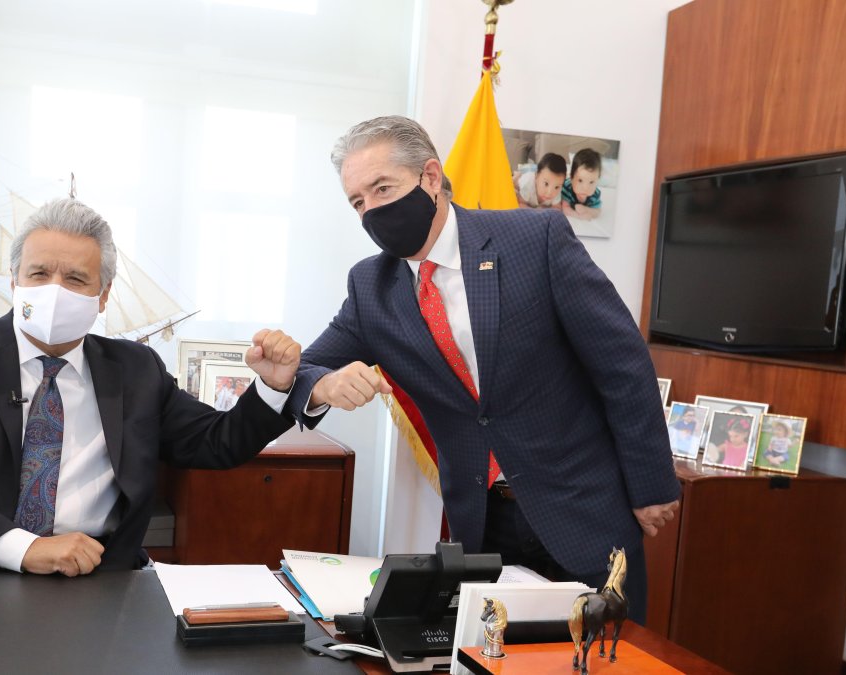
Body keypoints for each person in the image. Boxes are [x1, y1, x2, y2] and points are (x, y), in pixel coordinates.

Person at [287, 116, 679, 624]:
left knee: (599, 658)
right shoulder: (372, 286)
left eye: (382, 189)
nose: (372, 211)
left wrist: (652, 487)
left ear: (430, 178)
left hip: (582, 509)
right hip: (482, 526)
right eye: (358, 202)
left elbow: (622, 363)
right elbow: (308, 369)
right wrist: (322, 384)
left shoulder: (533, 239)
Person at [0, 198, 303, 576]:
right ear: (14, 281)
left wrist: (271, 386)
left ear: (103, 295)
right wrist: (25, 549)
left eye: (76, 279)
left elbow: (215, 442)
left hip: (93, 582)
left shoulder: (135, 369)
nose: (54, 291)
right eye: (39, 273)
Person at [560, 148, 603, 221]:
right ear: (571, 178)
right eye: (580, 180)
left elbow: (597, 211)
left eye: (591, 182)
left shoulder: (595, 194)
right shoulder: (567, 188)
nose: (585, 188)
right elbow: (565, 208)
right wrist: (578, 216)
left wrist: (586, 209)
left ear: (598, 180)